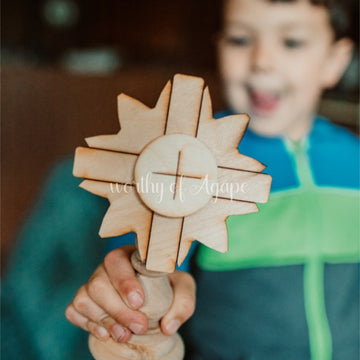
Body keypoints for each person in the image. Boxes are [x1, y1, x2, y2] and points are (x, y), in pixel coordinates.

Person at [2, 1, 358, 360]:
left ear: (334, 62)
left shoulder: (353, 159)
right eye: (239, 39)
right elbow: (153, 271)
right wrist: (143, 303)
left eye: (292, 42)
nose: (262, 60)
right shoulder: (184, 157)